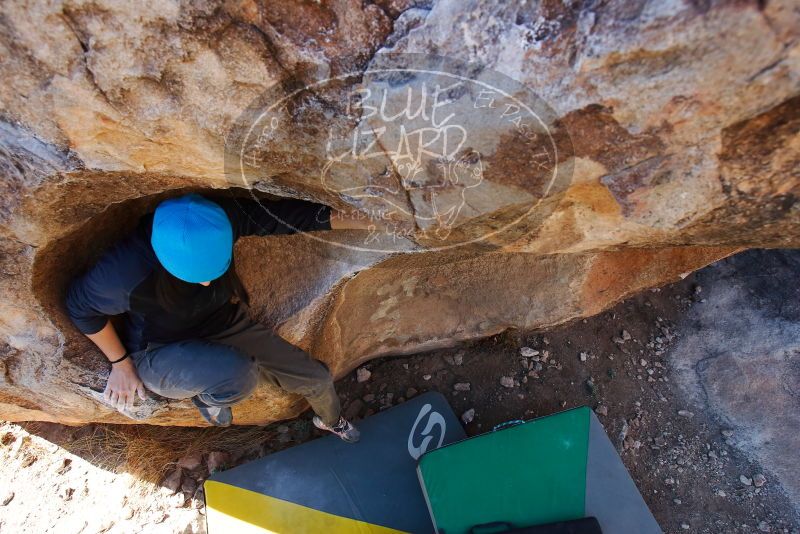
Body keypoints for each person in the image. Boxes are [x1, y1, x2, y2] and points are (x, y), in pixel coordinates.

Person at [66, 193, 373, 442]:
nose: (205, 284)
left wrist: (376, 219)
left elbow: (289, 218)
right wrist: (120, 364)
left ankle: (332, 421)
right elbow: (80, 307)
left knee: (316, 378)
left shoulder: (216, 220)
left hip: (220, 322)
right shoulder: (124, 271)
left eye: (213, 271)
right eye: (194, 276)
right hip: (159, 350)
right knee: (239, 374)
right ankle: (210, 399)